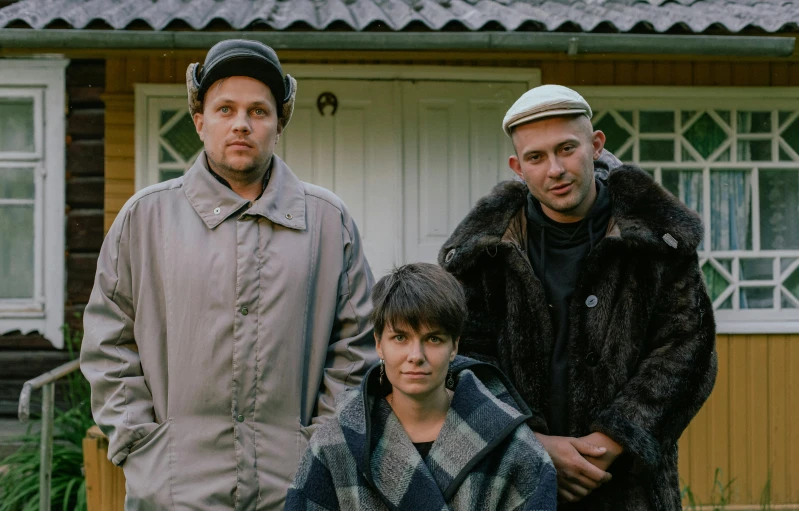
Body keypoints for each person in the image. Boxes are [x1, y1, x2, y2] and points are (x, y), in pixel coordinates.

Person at [80, 39, 376, 510]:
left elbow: (356, 349)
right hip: (174, 492)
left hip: (296, 489)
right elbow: (107, 342)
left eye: (259, 111)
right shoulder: (145, 218)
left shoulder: (327, 221)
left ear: (279, 124)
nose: (242, 123)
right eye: (225, 109)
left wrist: (321, 450)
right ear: (200, 122)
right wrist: (143, 447)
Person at [438, 85, 717, 510]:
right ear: (518, 167)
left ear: (596, 144)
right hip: (514, 485)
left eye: (567, 148)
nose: (555, 169)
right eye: (536, 157)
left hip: (629, 486)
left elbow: (687, 350)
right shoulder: (482, 255)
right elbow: (465, 359)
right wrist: (529, 443)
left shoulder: (656, 242)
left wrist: (610, 441)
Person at [286, 263, 558, 511]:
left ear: (455, 346)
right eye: (400, 337)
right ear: (379, 343)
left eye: (434, 339)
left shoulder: (513, 448)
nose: (416, 355)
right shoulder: (334, 445)